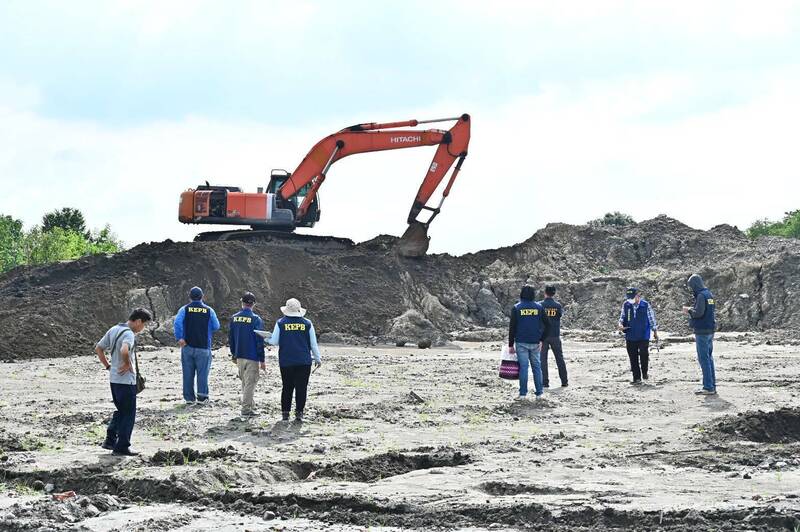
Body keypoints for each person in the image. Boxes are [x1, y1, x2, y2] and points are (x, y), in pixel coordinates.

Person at [95, 308, 152, 456]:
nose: (142, 328)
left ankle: (110, 440)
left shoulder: (114, 329)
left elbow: (99, 348)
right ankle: (122, 447)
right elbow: (124, 350)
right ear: (138, 321)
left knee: (121, 411)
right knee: (128, 414)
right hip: (126, 381)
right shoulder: (128, 334)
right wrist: (127, 364)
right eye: (143, 325)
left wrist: (108, 366)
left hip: (114, 379)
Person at [264, 298, 322, 422]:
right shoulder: (307, 323)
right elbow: (313, 344)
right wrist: (318, 358)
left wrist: (266, 339)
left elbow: (274, 341)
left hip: (286, 361)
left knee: (287, 387)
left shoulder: (280, 322)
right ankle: (299, 413)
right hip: (304, 361)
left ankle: (285, 413)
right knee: (302, 388)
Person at [173, 286, 220, 405]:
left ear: (190, 297)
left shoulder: (184, 309)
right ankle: (202, 397)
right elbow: (216, 326)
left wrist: (180, 338)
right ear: (202, 296)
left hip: (187, 346)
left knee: (188, 373)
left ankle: (189, 398)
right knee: (202, 373)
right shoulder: (209, 310)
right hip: (204, 346)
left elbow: (177, 322)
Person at [229, 292, 266, 417]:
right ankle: (246, 410)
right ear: (253, 304)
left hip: (239, 355)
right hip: (252, 356)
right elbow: (259, 341)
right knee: (250, 383)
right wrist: (262, 359)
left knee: (245, 382)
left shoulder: (234, 318)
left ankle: (250, 404)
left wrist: (234, 354)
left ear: (242, 303)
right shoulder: (256, 319)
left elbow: (231, 338)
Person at [508, 285, 547, 400]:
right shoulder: (539, 308)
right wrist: (542, 339)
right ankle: (539, 394)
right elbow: (547, 325)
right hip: (535, 342)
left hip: (521, 342)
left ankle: (523, 394)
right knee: (537, 367)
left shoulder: (516, 308)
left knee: (523, 368)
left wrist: (510, 344)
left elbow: (512, 328)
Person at [682, 274, 717, 395]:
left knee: (704, 359)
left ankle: (708, 387)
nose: (691, 289)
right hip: (710, 330)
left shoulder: (701, 296)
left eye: (691, 286)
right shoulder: (708, 294)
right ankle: (712, 385)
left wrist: (689, 310)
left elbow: (699, 313)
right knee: (709, 358)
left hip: (702, 331)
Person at [617, 287, 658, 385]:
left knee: (644, 354)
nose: (630, 300)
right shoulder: (626, 305)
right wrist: (620, 325)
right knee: (633, 356)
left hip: (643, 335)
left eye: (632, 297)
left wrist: (655, 331)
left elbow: (651, 319)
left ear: (637, 296)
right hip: (630, 335)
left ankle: (644, 372)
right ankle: (636, 378)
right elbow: (622, 317)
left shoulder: (645, 305)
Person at [539, 285, 568, 388]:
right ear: (554, 293)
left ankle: (544, 382)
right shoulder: (558, 306)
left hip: (543, 337)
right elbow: (559, 316)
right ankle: (564, 381)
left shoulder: (540, 305)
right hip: (555, 335)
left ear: (545, 293)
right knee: (559, 358)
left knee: (543, 360)